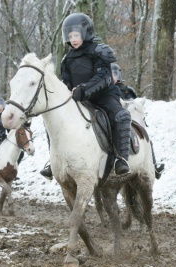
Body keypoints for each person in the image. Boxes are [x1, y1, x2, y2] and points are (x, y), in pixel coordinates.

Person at [41, 12, 132, 178]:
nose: (73, 39)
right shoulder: (67, 59)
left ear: (86, 33)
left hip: (104, 97)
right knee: (53, 120)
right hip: (79, 99)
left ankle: (121, 159)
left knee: (122, 116)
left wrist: (84, 89)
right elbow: (67, 83)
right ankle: (53, 159)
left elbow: (103, 77)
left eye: (76, 35)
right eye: (70, 35)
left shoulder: (99, 51)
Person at [111, 65, 165, 179]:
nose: (112, 77)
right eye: (110, 74)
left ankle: (154, 167)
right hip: (111, 121)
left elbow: (134, 106)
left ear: (119, 75)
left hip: (128, 122)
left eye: (114, 74)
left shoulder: (126, 91)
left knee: (148, 142)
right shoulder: (105, 91)